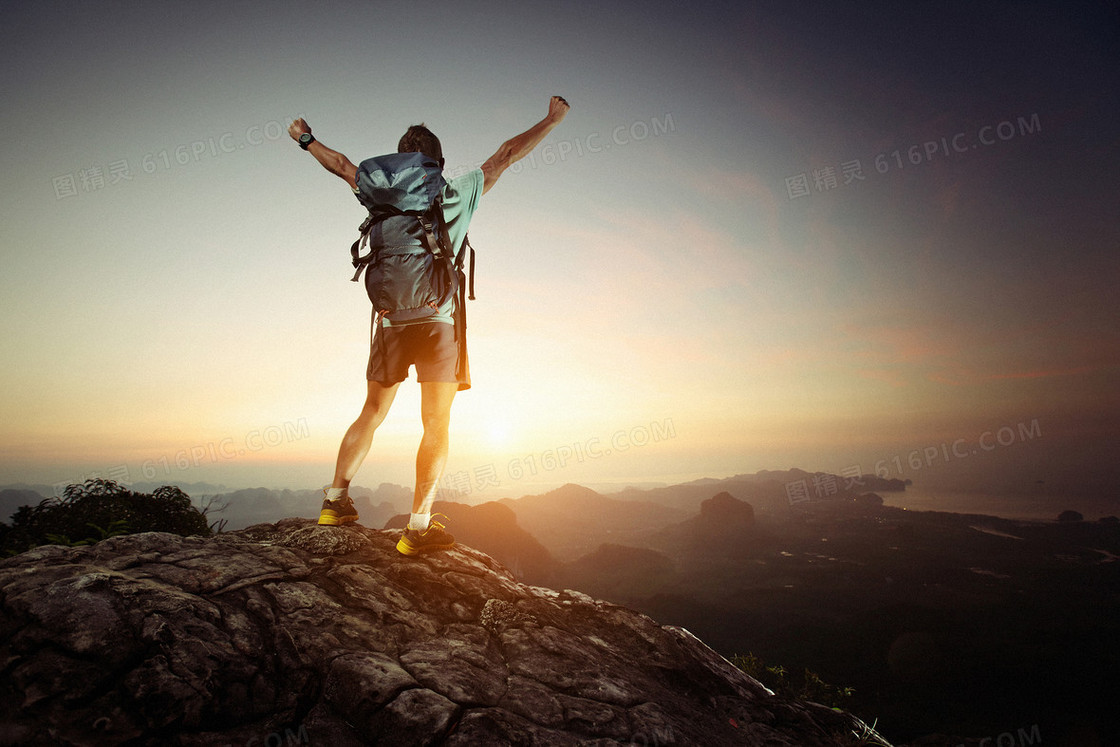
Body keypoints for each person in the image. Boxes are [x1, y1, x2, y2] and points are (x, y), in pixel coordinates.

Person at [287, 95, 570, 555]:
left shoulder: (376, 198)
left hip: (391, 320)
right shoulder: (456, 192)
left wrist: (305, 138)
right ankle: (417, 529)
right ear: (436, 162)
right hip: (438, 324)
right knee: (436, 422)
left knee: (372, 412)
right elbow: (506, 155)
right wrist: (551, 120)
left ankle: (334, 501)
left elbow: (338, 163)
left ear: (397, 161)